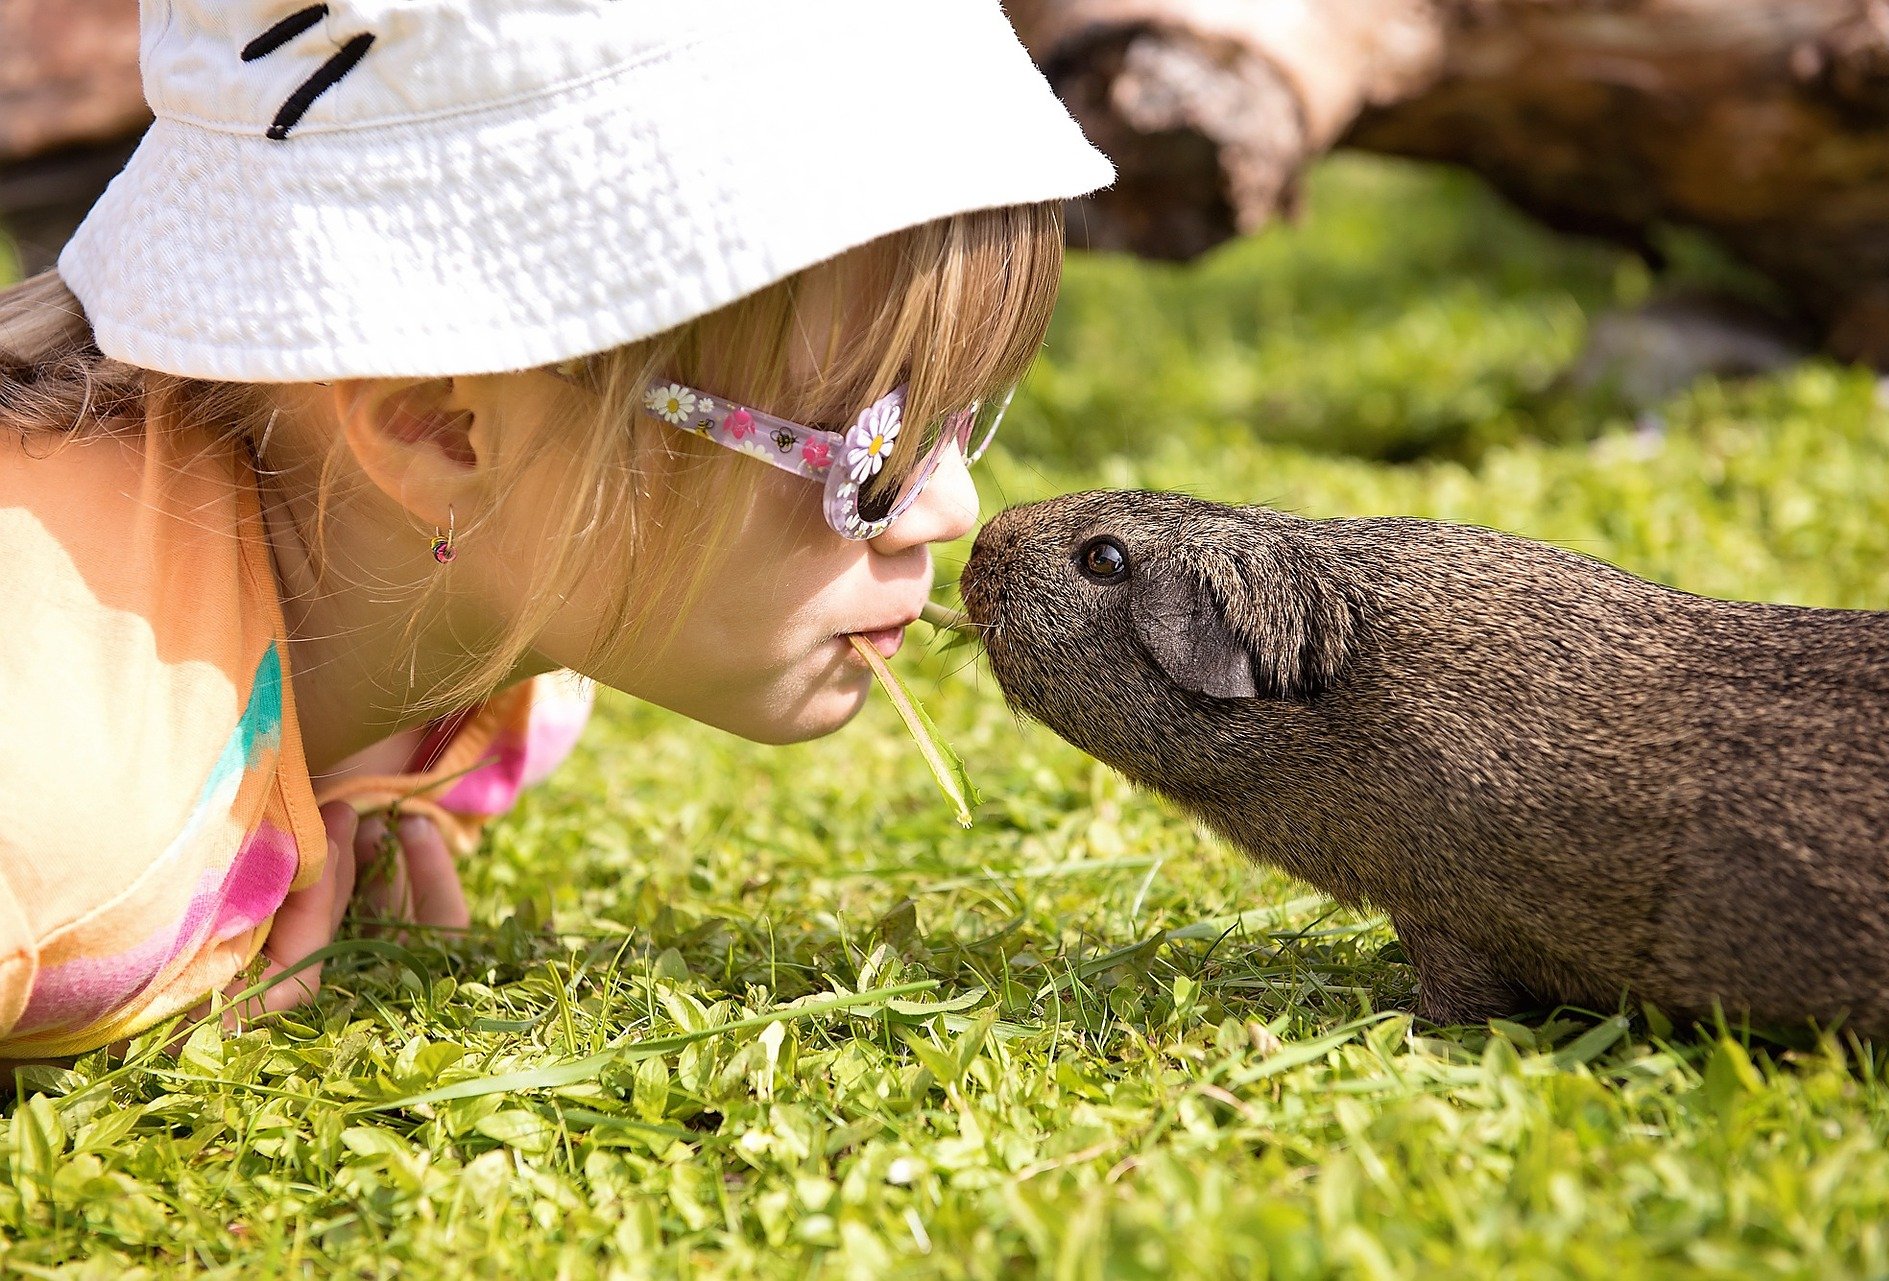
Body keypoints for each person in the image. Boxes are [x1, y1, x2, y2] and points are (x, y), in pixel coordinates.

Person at [0, 0, 1111, 1059]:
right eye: (871, 449)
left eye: (963, 411)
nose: (951, 508)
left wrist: (318, 801)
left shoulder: (496, 661)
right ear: (441, 429)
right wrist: (147, 941)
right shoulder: (62, 794)